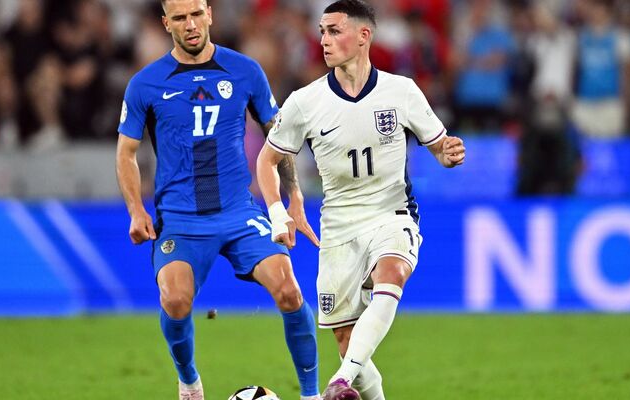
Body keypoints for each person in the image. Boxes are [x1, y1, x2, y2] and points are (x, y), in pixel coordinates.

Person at [255, 1, 465, 399]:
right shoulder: (305, 102)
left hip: (392, 214)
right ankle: (353, 374)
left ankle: (339, 381)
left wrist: (449, 152)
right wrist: (277, 211)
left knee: (392, 273)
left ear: (363, 36)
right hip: (337, 229)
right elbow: (267, 161)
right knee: (348, 339)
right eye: (322, 31)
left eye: (334, 31)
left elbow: (439, 145)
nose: (324, 40)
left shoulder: (401, 91)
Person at [115, 1, 319, 399]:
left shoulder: (244, 70)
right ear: (166, 24)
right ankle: (189, 380)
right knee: (175, 300)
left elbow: (279, 138)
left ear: (209, 14)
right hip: (180, 217)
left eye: (195, 14)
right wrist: (136, 210)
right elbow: (125, 153)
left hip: (238, 210)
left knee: (290, 292)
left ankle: (311, 395)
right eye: (179, 18)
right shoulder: (146, 83)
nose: (189, 25)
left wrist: (292, 195)